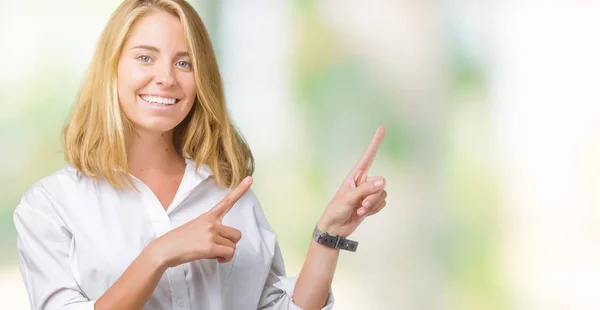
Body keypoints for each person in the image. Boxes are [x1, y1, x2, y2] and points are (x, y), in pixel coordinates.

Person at [13, 0, 389, 309]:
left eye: (184, 62)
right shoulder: (51, 207)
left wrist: (330, 234)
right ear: (110, 70)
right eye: (145, 58)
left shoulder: (227, 194)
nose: (166, 78)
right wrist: (159, 254)